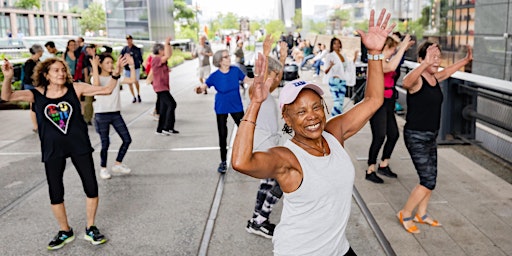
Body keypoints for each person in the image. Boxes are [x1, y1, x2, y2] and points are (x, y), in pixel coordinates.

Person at [231, 9, 393, 255]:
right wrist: (255, 103)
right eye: (301, 112)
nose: (312, 116)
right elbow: (242, 162)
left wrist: (374, 54)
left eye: (316, 107)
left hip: (338, 249)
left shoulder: (334, 133)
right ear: (287, 118)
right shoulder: (287, 158)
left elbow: (373, 99)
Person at [1, 56, 127, 249]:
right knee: (56, 191)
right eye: (55, 70)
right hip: (53, 149)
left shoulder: (76, 88)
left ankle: (91, 227)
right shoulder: (36, 94)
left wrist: (116, 72)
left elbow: (107, 90)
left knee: (91, 186)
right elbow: (7, 96)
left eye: (62, 69)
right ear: (46, 74)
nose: (60, 73)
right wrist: (8, 77)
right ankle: (65, 230)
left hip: (79, 145)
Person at [396, 42, 472, 234]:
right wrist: (424, 64)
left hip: (431, 136)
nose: (436, 60)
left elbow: (446, 73)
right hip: (416, 136)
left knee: (431, 178)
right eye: (432, 56)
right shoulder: (417, 80)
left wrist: (465, 61)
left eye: (438, 56)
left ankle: (422, 213)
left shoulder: (433, 78)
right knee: (427, 180)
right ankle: (405, 213)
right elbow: (405, 82)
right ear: (421, 59)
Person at [245, 36, 286, 239]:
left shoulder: (268, 93)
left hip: (269, 145)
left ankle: (256, 219)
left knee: (268, 183)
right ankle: (260, 220)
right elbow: (262, 77)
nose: (277, 79)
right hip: (262, 147)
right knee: (281, 180)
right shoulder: (256, 90)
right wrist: (266, 54)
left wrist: (282, 59)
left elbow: (273, 78)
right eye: (275, 75)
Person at [365, 34, 415, 184]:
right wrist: (402, 47)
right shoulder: (376, 62)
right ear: (385, 48)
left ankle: (384, 164)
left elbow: (394, 62)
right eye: (392, 49)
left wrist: (402, 47)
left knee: (393, 134)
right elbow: (391, 67)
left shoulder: (386, 59)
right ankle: (370, 169)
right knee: (379, 136)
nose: (394, 52)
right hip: (377, 102)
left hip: (388, 102)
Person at [195, 49, 253, 173]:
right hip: (221, 106)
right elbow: (204, 86)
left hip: (236, 106)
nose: (229, 58)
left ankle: (246, 158)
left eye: (228, 56)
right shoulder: (215, 76)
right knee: (222, 135)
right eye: (226, 57)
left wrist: (262, 80)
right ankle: (223, 162)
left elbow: (248, 80)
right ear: (220, 61)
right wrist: (199, 89)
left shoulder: (235, 70)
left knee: (244, 132)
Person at [91, 53, 136, 179]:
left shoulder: (116, 77)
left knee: (127, 139)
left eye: (112, 62)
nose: (110, 65)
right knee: (105, 143)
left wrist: (131, 65)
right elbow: (96, 86)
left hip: (116, 113)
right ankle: (103, 168)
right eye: (107, 63)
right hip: (101, 114)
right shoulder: (96, 77)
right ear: (101, 64)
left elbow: (132, 80)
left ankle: (118, 164)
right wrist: (95, 67)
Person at [151, 36, 179, 135]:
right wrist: (166, 43)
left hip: (164, 87)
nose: (165, 51)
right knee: (172, 104)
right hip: (160, 87)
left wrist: (168, 44)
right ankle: (166, 127)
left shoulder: (161, 59)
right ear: (159, 51)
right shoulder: (156, 59)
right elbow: (167, 56)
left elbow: (169, 54)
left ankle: (161, 128)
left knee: (164, 108)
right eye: (163, 49)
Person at [323, 37, 357, 116]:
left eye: (338, 43)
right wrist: (330, 66)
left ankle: (337, 121)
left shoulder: (343, 56)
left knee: (340, 103)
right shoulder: (329, 56)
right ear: (332, 45)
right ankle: (333, 121)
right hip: (334, 82)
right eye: (335, 43)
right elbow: (325, 71)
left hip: (342, 82)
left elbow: (349, 67)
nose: (337, 45)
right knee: (337, 103)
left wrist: (355, 57)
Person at [22, 44, 44, 133]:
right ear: (38, 52)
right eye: (41, 51)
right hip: (31, 86)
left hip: (37, 86)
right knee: (33, 106)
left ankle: (39, 124)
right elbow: (28, 76)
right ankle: (36, 126)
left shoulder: (38, 61)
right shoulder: (29, 63)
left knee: (37, 106)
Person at [121, 34, 144, 103]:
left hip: (136, 68)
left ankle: (138, 94)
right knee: (129, 83)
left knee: (135, 81)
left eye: (129, 39)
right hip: (127, 68)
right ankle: (133, 96)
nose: (128, 41)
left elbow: (140, 59)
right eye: (127, 40)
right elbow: (121, 57)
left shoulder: (136, 49)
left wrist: (143, 66)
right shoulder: (124, 49)